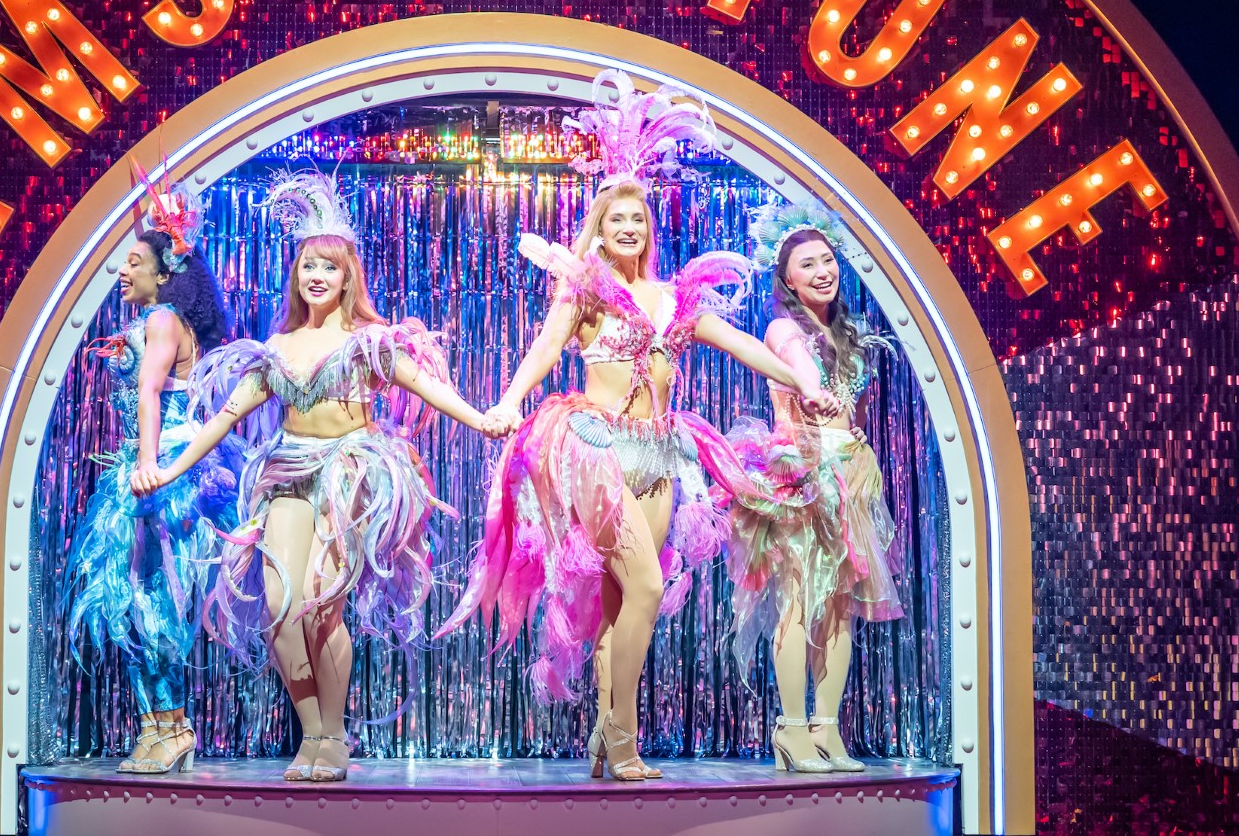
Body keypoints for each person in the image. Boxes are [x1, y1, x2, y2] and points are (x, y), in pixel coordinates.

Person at [440, 70, 817, 782]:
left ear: (649, 229)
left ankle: (603, 743)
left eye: (637, 218)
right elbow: (547, 348)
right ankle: (622, 737)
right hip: (594, 446)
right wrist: (510, 400)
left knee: (624, 599)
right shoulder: (586, 290)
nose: (628, 227)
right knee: (645, 585)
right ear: (601, 231)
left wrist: (807, 385)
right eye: (615, 219)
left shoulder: (678, 297)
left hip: (661, 449)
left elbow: (747, 347)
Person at [142, 172, 505, 782]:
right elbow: (226, 417)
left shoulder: (370, 343)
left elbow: (430, 388)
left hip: (349, 473)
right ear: (298, 273)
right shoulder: (278, 345)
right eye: (308, 264)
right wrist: (168, 467)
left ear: (346, 278)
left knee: (320, 607)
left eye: (329, 268)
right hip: (288, 471)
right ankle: (313, 732)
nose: (317, 276)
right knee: (281, 609)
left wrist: (483, 420)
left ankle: (332, 738)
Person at [62, 172, 240, 774]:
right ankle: (163, 726)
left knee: (146, 598)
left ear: (163, 273)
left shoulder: (162, 318)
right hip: (168, 458)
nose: (122, 271)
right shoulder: (162, 324)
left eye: (132, 261)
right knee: (140, 599)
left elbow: (149, 392)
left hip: (163, 465)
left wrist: (145, 465)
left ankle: (167, 726)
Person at [725, 197, 903, 773]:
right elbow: (796, 362)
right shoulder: (784, 328)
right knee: (797, 605)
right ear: (787, 280)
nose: (822, 270)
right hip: (802, 478)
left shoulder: (845, 336)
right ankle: (791, 730)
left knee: (841, 610)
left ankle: (828, 730)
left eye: (827, 260)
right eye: (807, 264)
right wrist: (811, 387)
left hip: (847, 476)